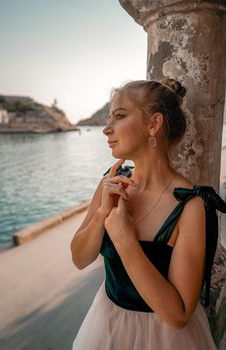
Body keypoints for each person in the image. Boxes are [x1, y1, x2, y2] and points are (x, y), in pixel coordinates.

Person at [70, 79, 226, 349]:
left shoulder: (190, 206)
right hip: (106, 327)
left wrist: (125, 241)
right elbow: (80, 259)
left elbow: (178, 315)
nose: (106, 129)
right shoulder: (112, 181)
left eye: (119, 116)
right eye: (109, 119)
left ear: (153, 124)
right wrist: (101, 215)